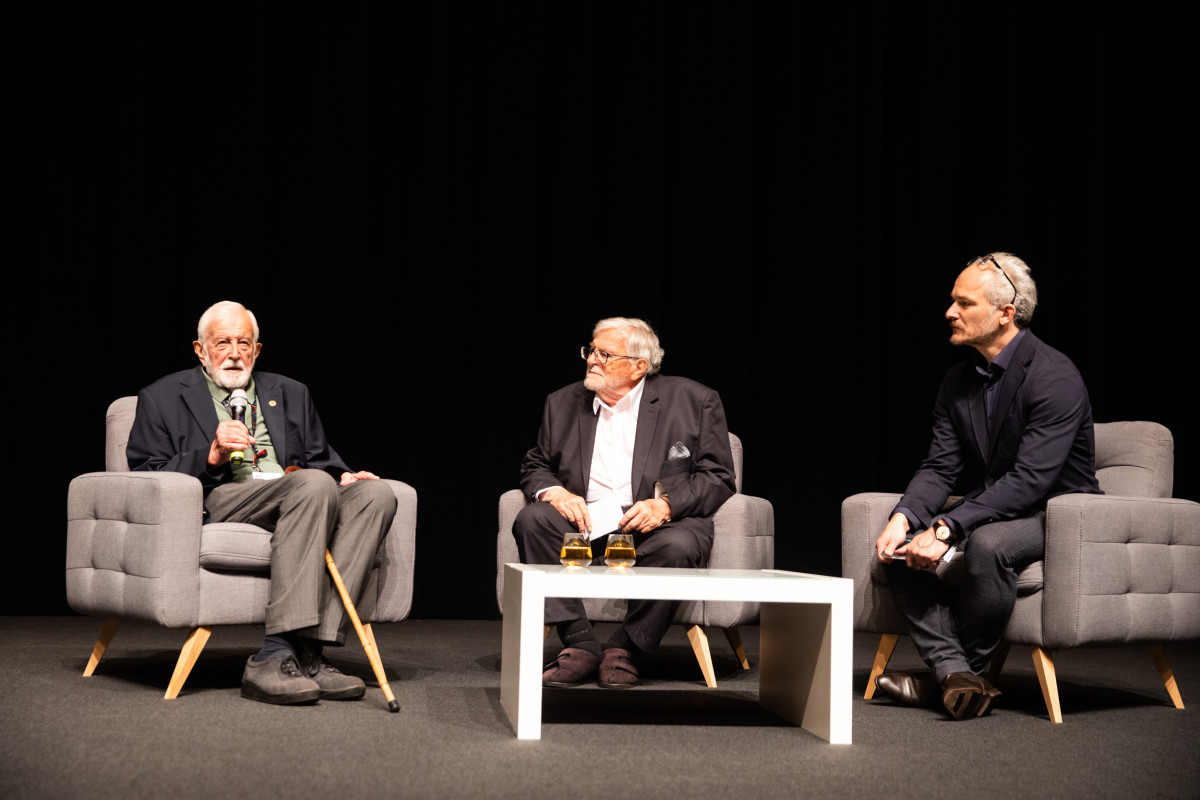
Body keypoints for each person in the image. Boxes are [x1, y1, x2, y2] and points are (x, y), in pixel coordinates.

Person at [126, 301, 398, 705]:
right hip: (222, 496)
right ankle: (272, 655)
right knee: (311, 485)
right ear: (201, 350)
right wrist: (210, 456)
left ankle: (310, 652)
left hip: (297, 490)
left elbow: (320, 458)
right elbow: (146, 472)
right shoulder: (162, 397)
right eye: (222, 343)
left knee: (376, 495)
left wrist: (345, 475)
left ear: (257, 350)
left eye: (244, 343)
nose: (234, 354)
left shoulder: (290, 392)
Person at [874, 253, 1101, 719]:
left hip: (1058, 512)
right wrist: (904, 517)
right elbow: (940, 466)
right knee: (896, 549)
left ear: (1005, 313)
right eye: (952, 301)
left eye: (964, 303)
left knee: (989, 544)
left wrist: (946, 529)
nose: (949, 312)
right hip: (1000, 504)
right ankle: (957, 676)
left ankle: (953, 676)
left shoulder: (1054, 375)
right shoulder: (958, 381)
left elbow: (1030, 480)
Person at [515, 317, 737, 688]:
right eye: (590, 351)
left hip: (657, 524)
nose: (592, 360)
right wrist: (556, 492)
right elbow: (536, 464)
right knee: (532, 521)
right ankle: (579, 641)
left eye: (605, 354)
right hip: (585, 523)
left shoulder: (694, 400)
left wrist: (665, 505)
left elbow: (718, 476)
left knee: (680, 545)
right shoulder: (562, 402)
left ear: (639, 366)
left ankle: (626, 647)